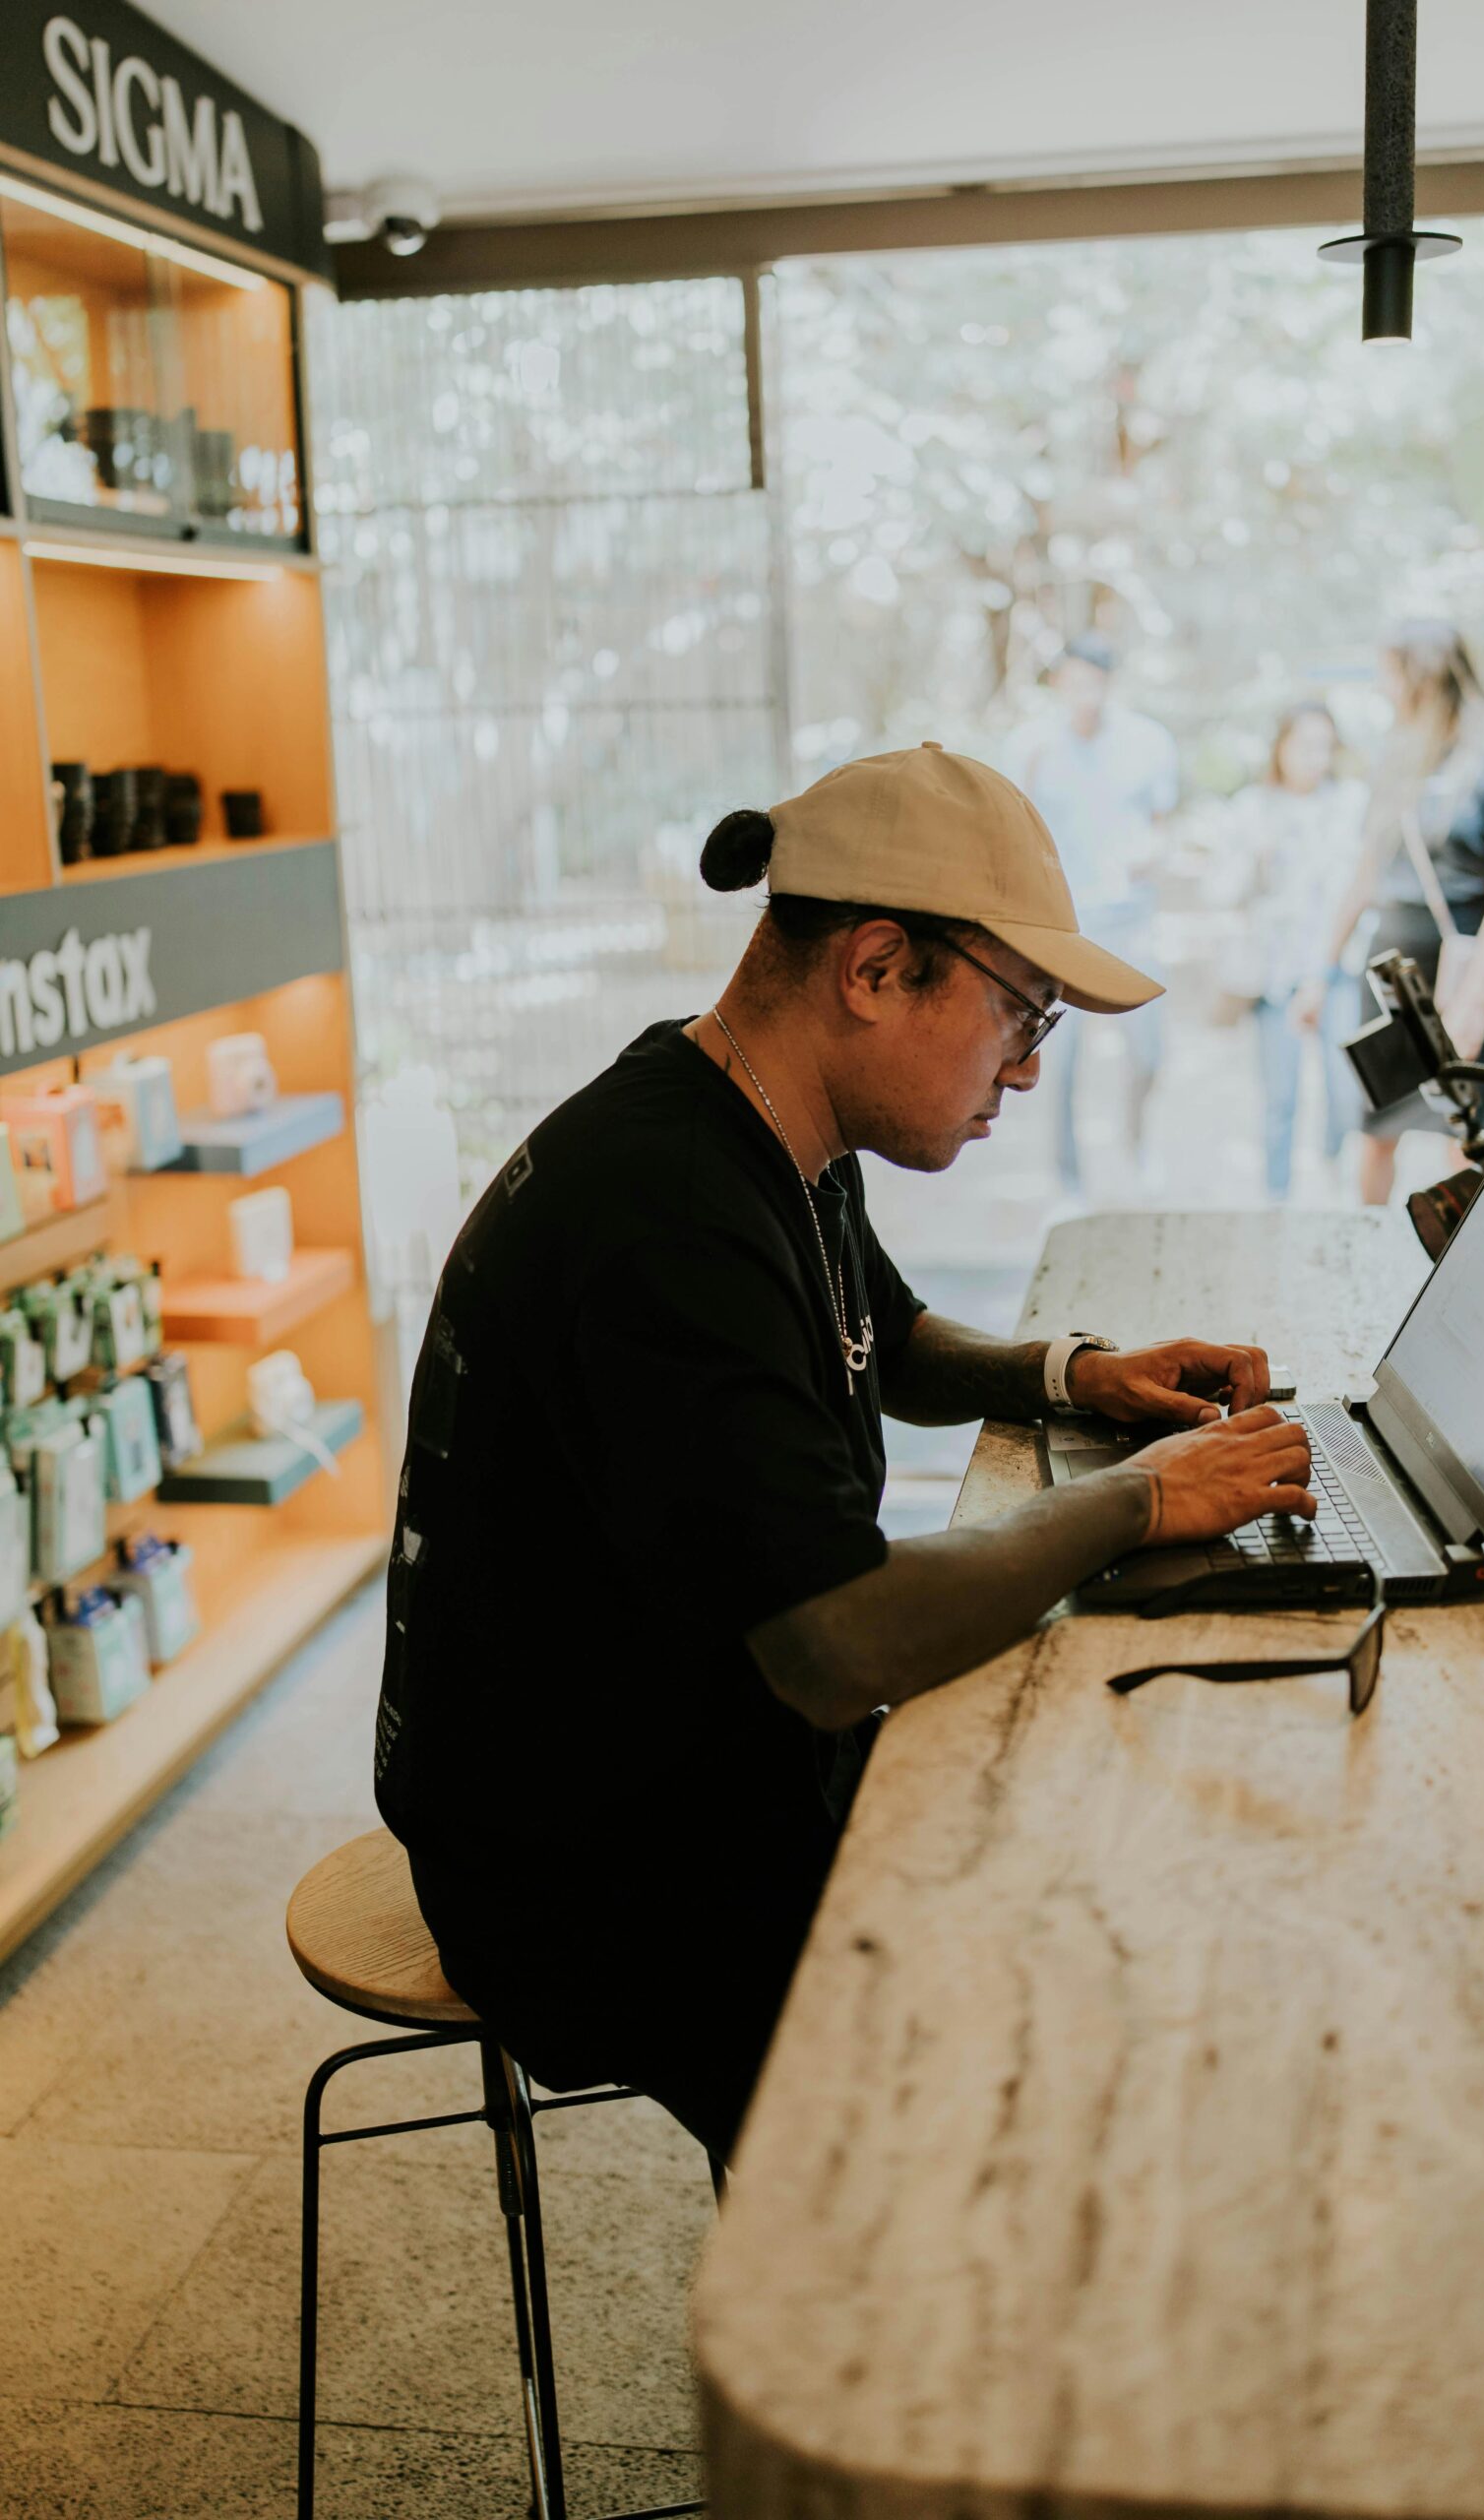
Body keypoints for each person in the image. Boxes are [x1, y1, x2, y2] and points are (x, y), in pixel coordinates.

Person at [374, 743, 1316, 2161]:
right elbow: (837, 1646)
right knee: (1071, 1989)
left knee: (1105, 1827)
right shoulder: (663, 1215)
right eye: (1021, 1015)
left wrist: (1077, 1376)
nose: (1025, 1070)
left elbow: (884, 1337)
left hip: (677, 1767)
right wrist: (1135, 1502)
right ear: (874, 969)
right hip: (589, 1873)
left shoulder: (755, 1129)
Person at [1291, 622, 1484, 1207]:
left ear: (1422, 676)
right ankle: (1369, 1252)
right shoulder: (1398, 752)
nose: (1382, 688)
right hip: (1397, 968)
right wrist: (1319, 970)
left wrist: (1475, 1002)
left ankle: (1450, 1270)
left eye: (1389, 674)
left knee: (1463, 1130)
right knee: (1378, 1125)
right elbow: (1367, 869)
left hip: (1479, 961)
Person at [1020, 634, 1178, 1191]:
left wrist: (1151, 855)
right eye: (1075, 680)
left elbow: (1163, 824)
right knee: (1057, 1065)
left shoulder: (1148, 742)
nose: (1085, 693)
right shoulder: (1032, 745)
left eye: (1096, 681)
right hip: (1065, 927)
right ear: (1060, 682)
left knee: (1149, 1053)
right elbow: (1017, 832)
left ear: (1110, 683)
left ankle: (1137, 1148)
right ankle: (1068, 1180)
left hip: (1133, 921)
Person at [1215, 703, 1367, 1200]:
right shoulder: (1251, 807)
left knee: (1346, 1092)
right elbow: (1222, 892)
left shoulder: (1350, 803)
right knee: (1280, 1097)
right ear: (1280, 746)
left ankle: (1333, 1173)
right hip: (1274, 973)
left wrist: (1322, 971)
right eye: (1304, 745)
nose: (1314, 758)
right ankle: (1275, 1198)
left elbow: (1358, 890)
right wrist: (1254, 860)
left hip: (1334, 969)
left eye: (1325, 746)